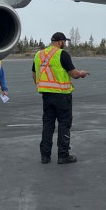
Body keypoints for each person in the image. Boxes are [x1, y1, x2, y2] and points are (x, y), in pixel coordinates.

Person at [32, 32, 89, 164]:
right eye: (65, 42)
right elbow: (74, 74)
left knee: (48, 124)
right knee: (64, 124)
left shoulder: (38, 55)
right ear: (61, 42)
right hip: (62, 96)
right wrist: (82, 73)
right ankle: (63, 155)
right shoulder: (62, 54)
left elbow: (34, 74)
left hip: (46, 96)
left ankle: (45, 156)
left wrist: (42, 85)